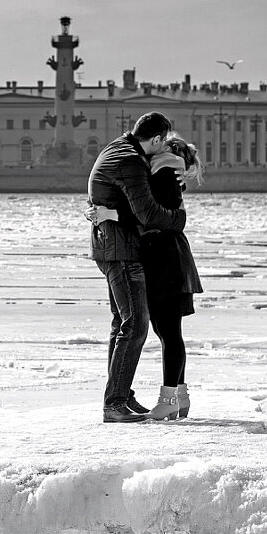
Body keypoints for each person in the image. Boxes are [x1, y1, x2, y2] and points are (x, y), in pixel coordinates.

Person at [88, 112, 186, 423]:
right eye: (164, 142)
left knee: (122, 324)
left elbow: (122, 203)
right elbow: (149, 215)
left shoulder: (117, 147)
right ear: (156, 139)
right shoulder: (131, 161)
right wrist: (179, 219)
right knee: (135, 325)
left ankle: (121, 396)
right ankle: (115, 402)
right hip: (122, 251)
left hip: (110, 246)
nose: (166, 147)